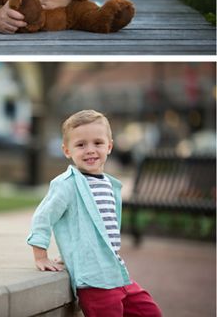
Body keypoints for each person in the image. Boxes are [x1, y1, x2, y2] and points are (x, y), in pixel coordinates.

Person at [28, 110, 162, 316]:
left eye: (97, 143)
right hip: (95, 281)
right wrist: (40, 256)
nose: (90, 150)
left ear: (109, 146)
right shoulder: (66, 185)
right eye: (81, 145)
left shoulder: (109, 184)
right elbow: (43, 217)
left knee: (149, 312)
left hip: (118, 273)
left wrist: (69, 253)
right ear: (67, 150)